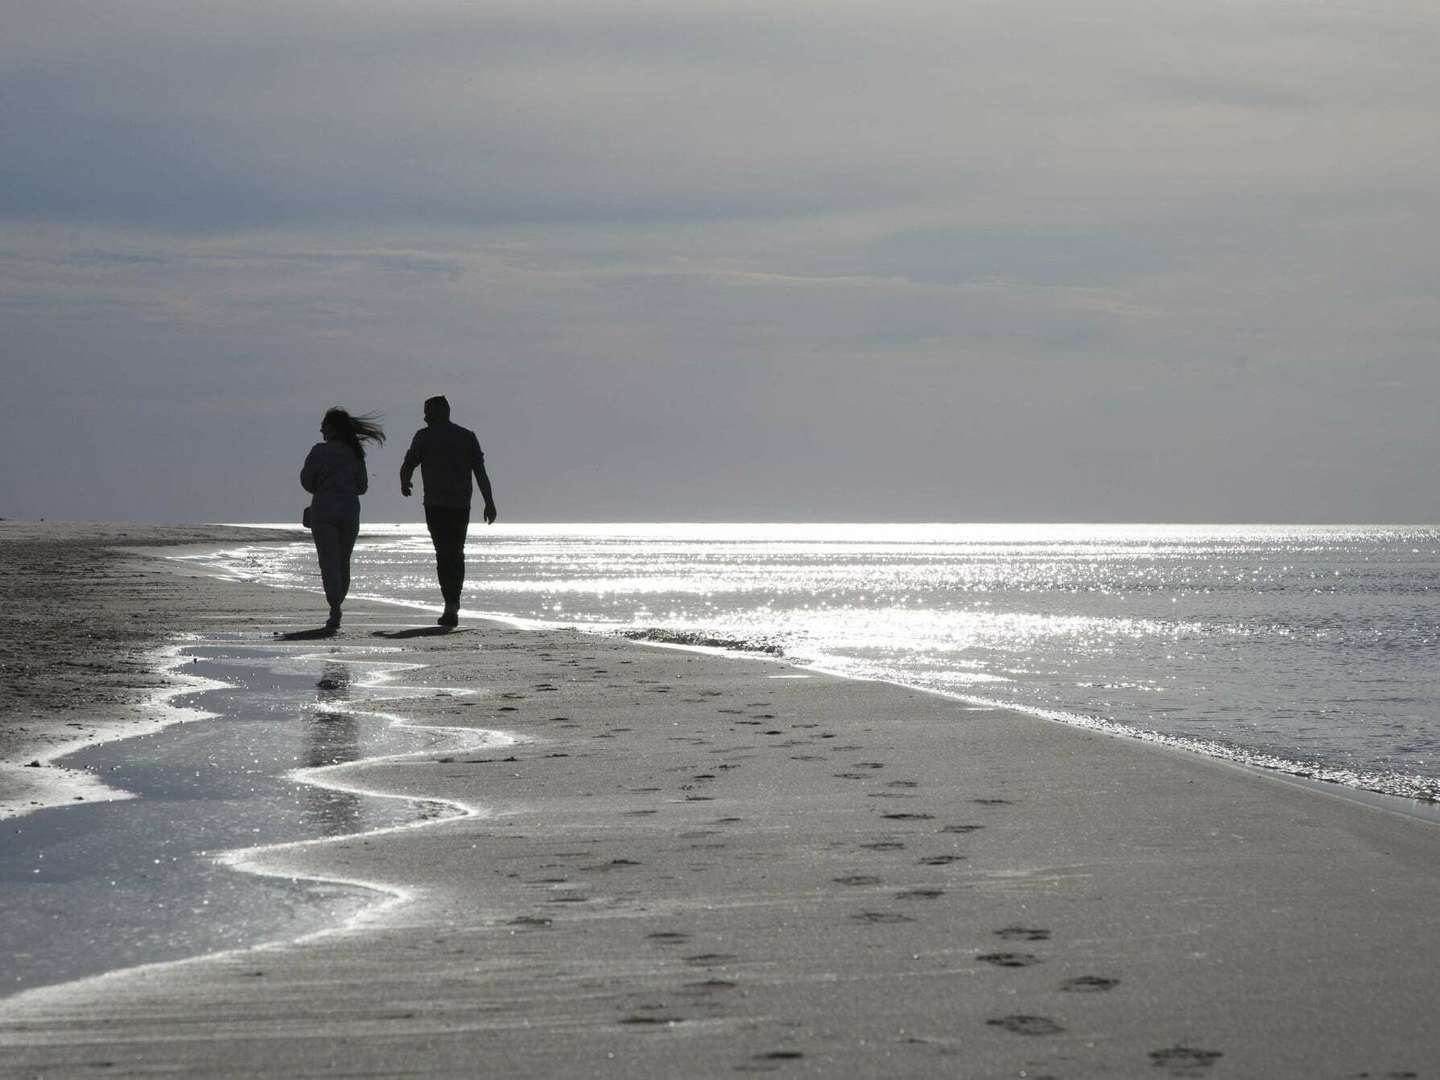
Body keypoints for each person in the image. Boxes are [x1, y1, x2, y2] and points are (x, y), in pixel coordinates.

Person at [399, 395, 497, 627]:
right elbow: (480, 473)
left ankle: (451, 603)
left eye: (428, 412)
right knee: (454, 553)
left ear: (442, 412)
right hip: (456, 504)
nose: (424, 416)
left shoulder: (429, 436)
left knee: (445, 554)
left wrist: (404, 481)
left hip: (441, 504)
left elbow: (409, 464)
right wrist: (489, 502)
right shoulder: (464, 437)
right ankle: (452, 603)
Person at [301, 407, 385, 631]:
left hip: (324, 511)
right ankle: (337, 604)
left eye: (324, 425)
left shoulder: (319, 451)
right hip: (349, 511)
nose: (320, 429)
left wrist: (324, 484)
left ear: (332, 428)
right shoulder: (355, 453)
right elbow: (362, 486)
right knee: (343, 561)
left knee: (328, 562)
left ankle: (335, 607)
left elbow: (307, 481)